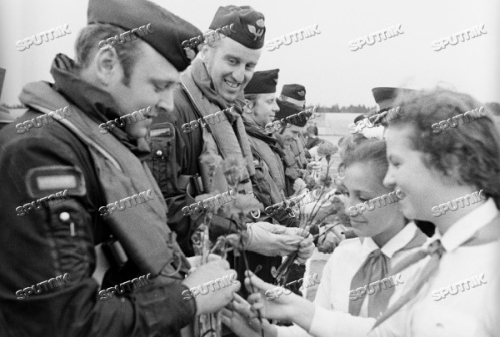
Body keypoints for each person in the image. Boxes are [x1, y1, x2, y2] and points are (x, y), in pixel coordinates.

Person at [0, 0, 241, 336]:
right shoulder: (40, 153)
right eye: (159, 86)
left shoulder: (106, 139)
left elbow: (108, 269)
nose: (168, 105)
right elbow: (64, 323)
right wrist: (187, 298)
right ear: (107, 63)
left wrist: (182, 272)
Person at [231, 88, 500, 337]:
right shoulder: (441, 254)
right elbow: (385, 332)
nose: (390, 179)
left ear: (448, 164)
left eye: (396, 162)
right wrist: (281, 322)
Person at [221, 136, 428, 337]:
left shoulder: (433, 264)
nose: (350, 209)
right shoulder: (343, 257)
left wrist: (299, 310)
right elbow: (314, 331)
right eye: (347, 194)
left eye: (363, 198)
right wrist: (270, 333)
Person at [240, 68, 315, 295]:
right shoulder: (245, 140)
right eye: (270, 102)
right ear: (247, 104)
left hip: (269, 243)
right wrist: (296, 228)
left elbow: (274, 194)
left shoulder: (262, 141)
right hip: (255, 250)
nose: (276, 108)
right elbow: (261, 199)